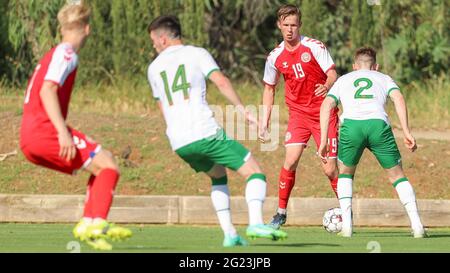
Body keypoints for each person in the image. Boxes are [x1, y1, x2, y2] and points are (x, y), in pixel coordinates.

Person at [146, 15, 287, 247]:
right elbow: (221, 82)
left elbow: (162, 107)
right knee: (254, 172)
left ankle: (230, 234)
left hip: (179, 142)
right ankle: (255, 223)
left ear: (163, 39)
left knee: (217, 174)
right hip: (204, 132)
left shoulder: (153, 68)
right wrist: (244, 112)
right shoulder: (197, 54)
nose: (153, 45)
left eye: (153, 40)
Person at [19, 3, 132, 251]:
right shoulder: (66, 53)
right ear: (87, 29)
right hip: (44, 131)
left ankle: (87, 224)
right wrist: (62, 132)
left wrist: (67, 131)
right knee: (110, 166)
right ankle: (97, 223)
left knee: (102, 163)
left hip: (31, 134)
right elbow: (47, 90)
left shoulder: (52, 54)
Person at [318, 47, 426, 238]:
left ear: (354, 66)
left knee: (345, 174)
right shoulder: (383, 78)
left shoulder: (344, 80)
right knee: (397, 176)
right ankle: (417, 226)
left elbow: (327, 104)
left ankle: (347, 227)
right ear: (375, 66)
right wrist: (406, 131)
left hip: (352, 127)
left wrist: (324, 139)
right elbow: (398, 98)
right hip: (378, 126)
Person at [260, 4, 339, 229]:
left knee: (330, 169)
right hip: (298, 115)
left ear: (300, 25)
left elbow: (332, 73)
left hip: (324, 113)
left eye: (294, 25)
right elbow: (269, 88)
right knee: (291, 159)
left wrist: (326, 85)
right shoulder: (274, 57)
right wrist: (264, 123)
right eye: (285, 25)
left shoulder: (314, 47)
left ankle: (346, 210)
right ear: (279, 25)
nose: (290, 29)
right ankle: (281, 213)